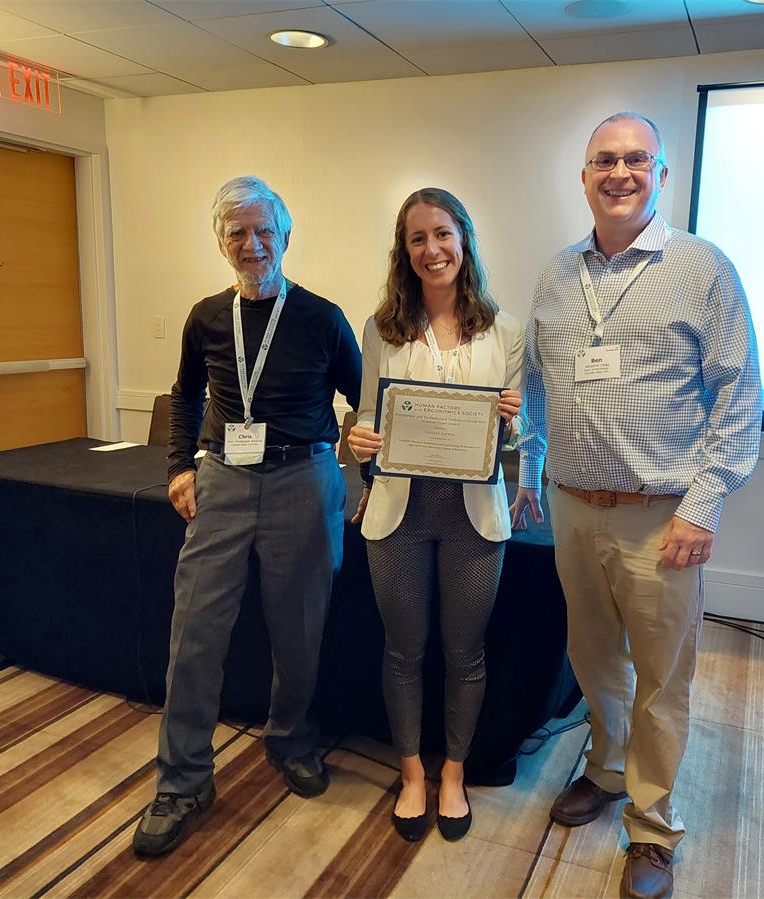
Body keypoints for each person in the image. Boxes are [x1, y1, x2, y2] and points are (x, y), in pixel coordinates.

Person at [509, 113, 761, 898]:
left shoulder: (702, 268)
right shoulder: (555, 274)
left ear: (660, 172)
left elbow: (739, 395)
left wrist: (703, 506)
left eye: (634, 160)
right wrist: (528, 471)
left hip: (663, 517)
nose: (619, 173)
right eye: (603, 161)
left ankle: (652, 830)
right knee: (593, 660)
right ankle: (608, 769)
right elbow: (537, 384)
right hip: (572, 509)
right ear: (583, 177)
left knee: (661, 677)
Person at [133, 176, 362, 858]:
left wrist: (355, 468)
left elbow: (368, 399)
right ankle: (182, 780)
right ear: (221, 242)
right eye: (236, 232)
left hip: (303, 475)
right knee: (195, 631)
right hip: (223, 479)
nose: (251, 243)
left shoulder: (322, 316)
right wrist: (179, 466)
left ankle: (290, 740)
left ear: (285, 237)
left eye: (263, 230)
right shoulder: (206, 315)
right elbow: (183, 395)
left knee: (299, 629)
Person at [347, 188, 523, 843]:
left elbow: (519, 426)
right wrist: (360, 437)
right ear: (406, 251)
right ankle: (412, 772)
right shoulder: (380, 327)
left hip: (472, 515)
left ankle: (453, 771)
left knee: (464, 652)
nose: (432, 249)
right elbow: (369, 411)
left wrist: (513, 416)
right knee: (402, 651)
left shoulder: (504, 329)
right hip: (399, 511)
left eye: (442, 234)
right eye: (418, 238)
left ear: (463, 240)